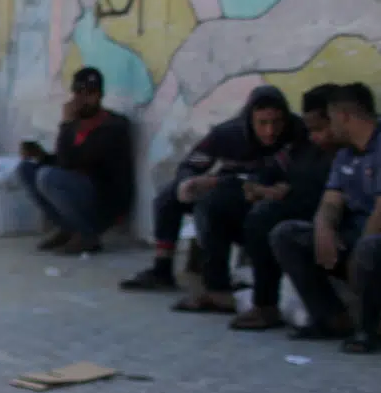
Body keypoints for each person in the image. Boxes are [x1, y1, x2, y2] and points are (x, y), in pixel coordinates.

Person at [120, 85, 302, 293]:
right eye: (263, 123)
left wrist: (221, 182)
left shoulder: (297, 134)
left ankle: (218, 282)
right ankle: (162, 268)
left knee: (211, 205)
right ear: (249, 119)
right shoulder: (226, 134)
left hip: (268, 200)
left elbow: (291, 178)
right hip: (232, 191)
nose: (270, 131)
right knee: (169, 195)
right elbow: (191, 164)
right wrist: (187, 183)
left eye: (277, 122)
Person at [270, 84, 381, 353]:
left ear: (344, 117)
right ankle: (330, 318)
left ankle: (367, 330)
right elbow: (331, 199)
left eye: (331, 118)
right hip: (358, 238)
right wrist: (323, 228)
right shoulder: (345, 152)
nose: (328, 126)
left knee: (371, 247)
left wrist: (357, 256)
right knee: (287, 235)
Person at [227, 85, 340, 330]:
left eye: (320, 129)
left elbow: (325, 194)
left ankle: (266, 305)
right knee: (224, 203)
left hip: (323, 214)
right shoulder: (309, 145)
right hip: (299, 206)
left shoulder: (345, 152)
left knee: (266, 219)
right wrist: (258, 186)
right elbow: (276, 172)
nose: (314, 136)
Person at [17, 67, 133, 255]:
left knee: (48, 177)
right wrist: (41, 155)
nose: (83, 100)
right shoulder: (76, 125)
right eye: (79, 93)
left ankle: (87, 236)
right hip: (79, 189)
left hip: (103, 201)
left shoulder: (114, 126)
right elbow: (66, 160)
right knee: (26, 169)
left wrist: (66, 124)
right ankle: (68, 229)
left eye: (90, 94)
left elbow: (72, 162)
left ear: (100, 95)